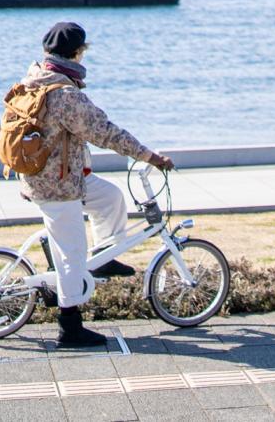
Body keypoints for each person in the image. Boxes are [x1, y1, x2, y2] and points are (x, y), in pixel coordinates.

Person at [17, 21, 174, 349]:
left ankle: (103, 255)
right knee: (72, 255)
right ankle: (70, 327)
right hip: (56, 187)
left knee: (110, 198)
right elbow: (106, 131)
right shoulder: (65, 94)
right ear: (77, 52)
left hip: (51, 176)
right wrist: (148, 156)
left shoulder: (33, 79)